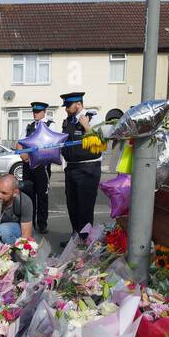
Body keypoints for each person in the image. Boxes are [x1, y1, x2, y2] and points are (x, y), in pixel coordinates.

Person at [60, 91, 101, 242]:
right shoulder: (68, 121)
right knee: (73, 205)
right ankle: (76, 238)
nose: (66, 109)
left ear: (78, 104)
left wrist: (87, 126)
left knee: (85, 207)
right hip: (71, 168)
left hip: (88, 168)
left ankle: (85, 240)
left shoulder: (93, 117)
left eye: (68, 106)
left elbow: (101, 142)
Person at [24, 102, 52, 234]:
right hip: (28, 165)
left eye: (38, 111)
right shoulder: (29, 126)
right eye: (34, 111)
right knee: (29, 196)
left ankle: (42, 224)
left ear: (44, 112)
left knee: (42, 196)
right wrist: (22, 154)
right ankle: (29, 224)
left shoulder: (51, 125)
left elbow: (55, 144)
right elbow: (21, 142)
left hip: (42, 166)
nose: (35, 113)